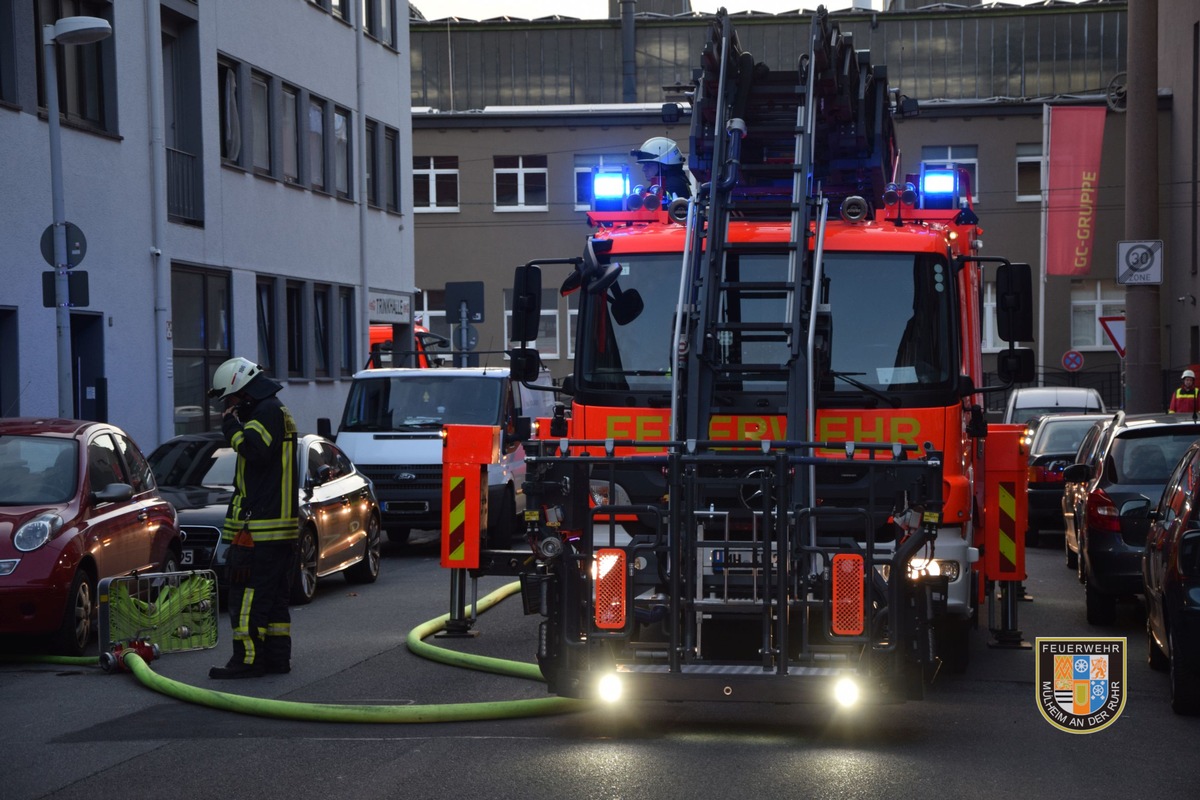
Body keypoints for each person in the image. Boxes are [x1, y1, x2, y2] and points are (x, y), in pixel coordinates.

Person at [207, 357, 299, 679]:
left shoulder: (265, 412)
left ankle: (246, 661)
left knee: (245, 597)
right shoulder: (277, 411)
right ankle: (275, 658)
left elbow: (255, 452)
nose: (229, 406)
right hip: (276, 528)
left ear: (242, 391)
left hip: (259, 529)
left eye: (229, 400)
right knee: (272, 602)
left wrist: (231, 427)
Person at [631, 136, 694, 202]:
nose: (644, 169)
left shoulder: (672, 185)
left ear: (664, 166)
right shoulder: (664, 185)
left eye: (648, 164)